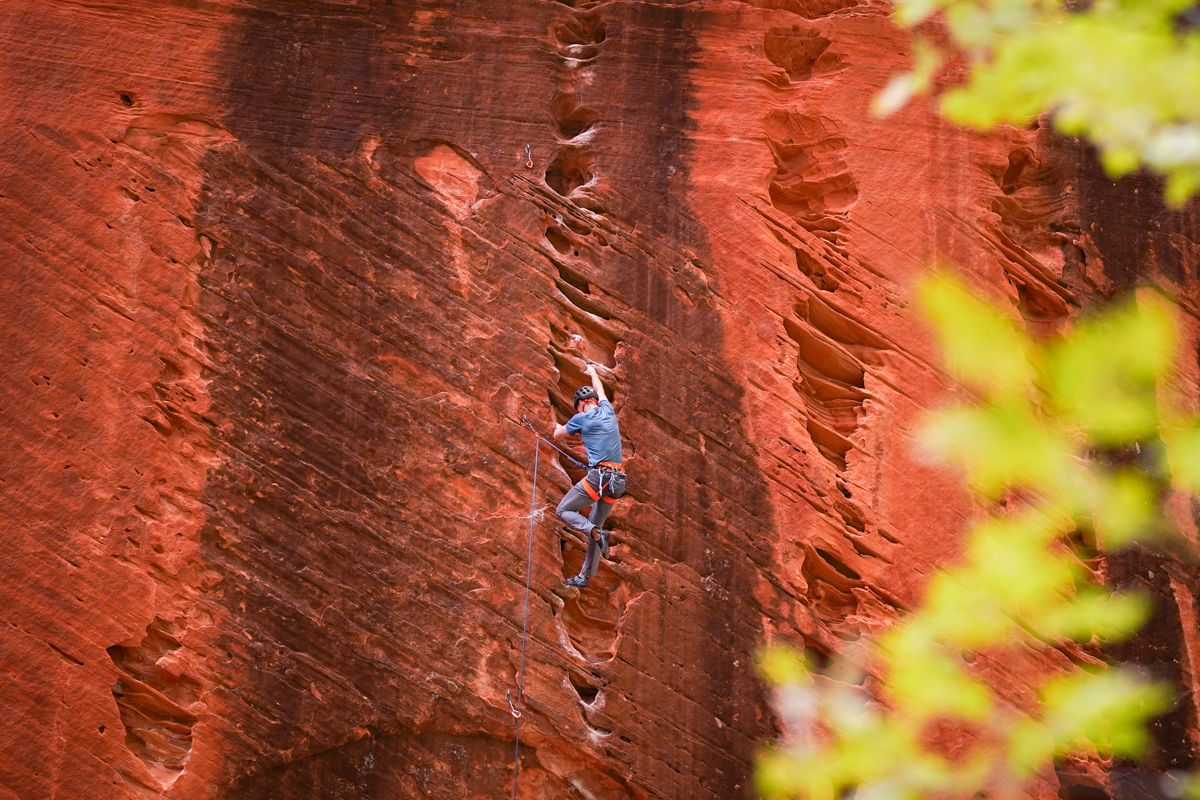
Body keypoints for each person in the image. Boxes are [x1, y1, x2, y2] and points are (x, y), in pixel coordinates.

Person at [554, 364, 627, 588]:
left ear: (582, 405)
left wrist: (557, 424)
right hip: (618, 481)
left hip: (599, 478)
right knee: (596, 525)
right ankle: (585, 576)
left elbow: (557, 435)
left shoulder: (582, 418)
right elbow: (601, 390)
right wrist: (593, 372)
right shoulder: (607, 409)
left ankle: (595, 532)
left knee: (563, 510)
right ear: (595, 400)